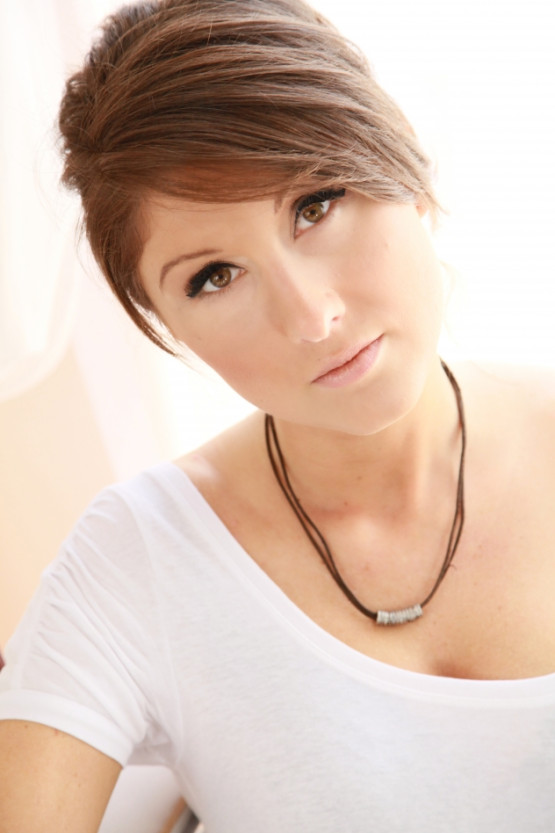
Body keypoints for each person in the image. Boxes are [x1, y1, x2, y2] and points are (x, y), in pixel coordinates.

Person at [1, 0, 554, 830]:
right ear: (165, 323)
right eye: (214, 276)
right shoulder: (138, 557)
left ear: (400, 157)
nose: (311, 317)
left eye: (315, 203)